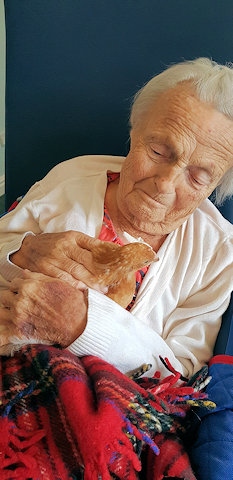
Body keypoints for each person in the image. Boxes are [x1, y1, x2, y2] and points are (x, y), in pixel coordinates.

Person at [0, 57, 233, 380]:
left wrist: (83, 326)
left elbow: (181, 374)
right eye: (158, 152)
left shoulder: (218, 253)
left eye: (197, 177)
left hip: (120, 409)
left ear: (216, 185)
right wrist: (22, 253)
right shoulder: (71, 179)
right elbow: (3, 245)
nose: (165, 183)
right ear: (135, 130)